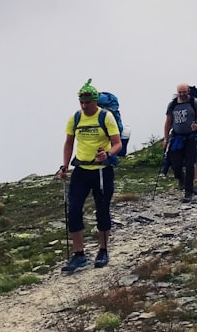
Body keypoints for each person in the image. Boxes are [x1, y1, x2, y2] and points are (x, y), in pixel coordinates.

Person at [58, 78, 122, 273]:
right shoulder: (75, 118)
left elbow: (117, 143)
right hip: (81, 170)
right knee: (74, 209)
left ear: (95, 101)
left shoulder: (106, 117)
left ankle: (103, 250)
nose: (84, 106)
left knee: (102, 209)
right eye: (82, 102)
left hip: (102, 170)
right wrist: (65, 166)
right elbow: (69, 142)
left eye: (88, 102)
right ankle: (79, 255)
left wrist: (108, 154)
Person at [163, 83, 197, 203]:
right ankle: (181, 178)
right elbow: (168, 123)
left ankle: (188, 192)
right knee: (175, 164)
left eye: (184, 92)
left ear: (188, 91)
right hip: (176, 137)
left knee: (190, 164)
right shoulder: (173, 104)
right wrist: (166, 139)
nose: (182, 94)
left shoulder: (194, 103)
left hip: (191, 137)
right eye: (180, 92)